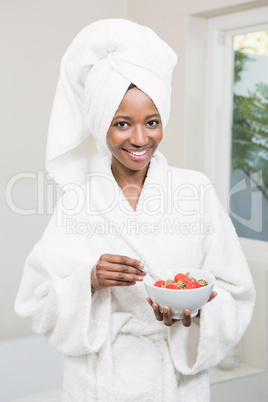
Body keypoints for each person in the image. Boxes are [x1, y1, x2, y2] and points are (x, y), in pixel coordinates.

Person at [15, 19, 255, 401]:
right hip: (101, 383)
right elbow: (35, 300)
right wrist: (89, 279)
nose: (140, 139)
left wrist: (195, 313)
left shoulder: (195, 190)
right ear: (101, 125)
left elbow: (236, 292)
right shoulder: (78, 200)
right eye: (122, 124)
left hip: (176, 383)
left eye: (152, 122)